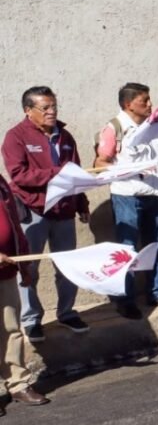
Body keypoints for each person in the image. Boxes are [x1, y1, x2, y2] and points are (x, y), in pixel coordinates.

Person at [2, 86, 89, 343]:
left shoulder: (65, 136)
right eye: (45, 108)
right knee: (29, 268)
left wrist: (81, 203)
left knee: (67, 266)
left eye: (54, 106)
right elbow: (18, 175)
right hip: (33, 212)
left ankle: (67, 312)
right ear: (28, 110)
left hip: (64, 212)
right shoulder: (15, 137)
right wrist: (56, 174)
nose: (52, 112)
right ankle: (31, 319)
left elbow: (76, 173)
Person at [93, 82, 158, 318]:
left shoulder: (155, 126)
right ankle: (125, 298)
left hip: (154, 194)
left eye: (149, 99)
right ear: (128, 104)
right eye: (144, 101)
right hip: (127, 196)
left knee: (156, 245)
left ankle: (157, 291)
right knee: (127, 249)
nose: (150, 104)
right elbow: (99, 163)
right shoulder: (114, 128)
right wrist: (127, 170)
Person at [0, 174, 45, 411]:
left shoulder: (1, 183)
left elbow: (15, 226)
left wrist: (24, 266)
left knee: (11, 329)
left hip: (6, 271)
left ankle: (17, 383)